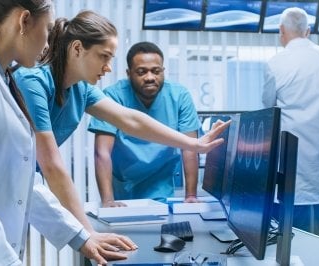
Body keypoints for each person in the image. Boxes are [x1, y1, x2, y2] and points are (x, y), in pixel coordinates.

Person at [0, 1, 136, 265]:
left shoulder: (5, 81)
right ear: (24, 21)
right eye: (48, 29)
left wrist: (81, 237)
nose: (48, 42)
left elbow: (22, 180)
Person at [13, 8, 229, 246]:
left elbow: (130, 120)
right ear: (77, 49)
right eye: (104, 56)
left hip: (22, 183)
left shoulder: (81, 89)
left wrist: (194, 144)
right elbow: (52, 165)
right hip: (0, 180)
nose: (107, 67)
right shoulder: (33, 82)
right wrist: (88, 234)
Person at [88, 42, 200, 206]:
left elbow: (190, 149)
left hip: (160, 185)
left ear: (163, 71)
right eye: (141, 72)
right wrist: (108, 200)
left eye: (156, 71)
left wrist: (191, 195)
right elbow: (102, 152)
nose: (149, 77)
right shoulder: (113, 96)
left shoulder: (179, 96)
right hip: (123, 185)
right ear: (129, 73)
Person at [262, 7, 319, 242]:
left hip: (291, 173)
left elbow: (268, 110)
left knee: (292, 243)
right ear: (308, 31)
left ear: (281, 31)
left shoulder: (276, 64)